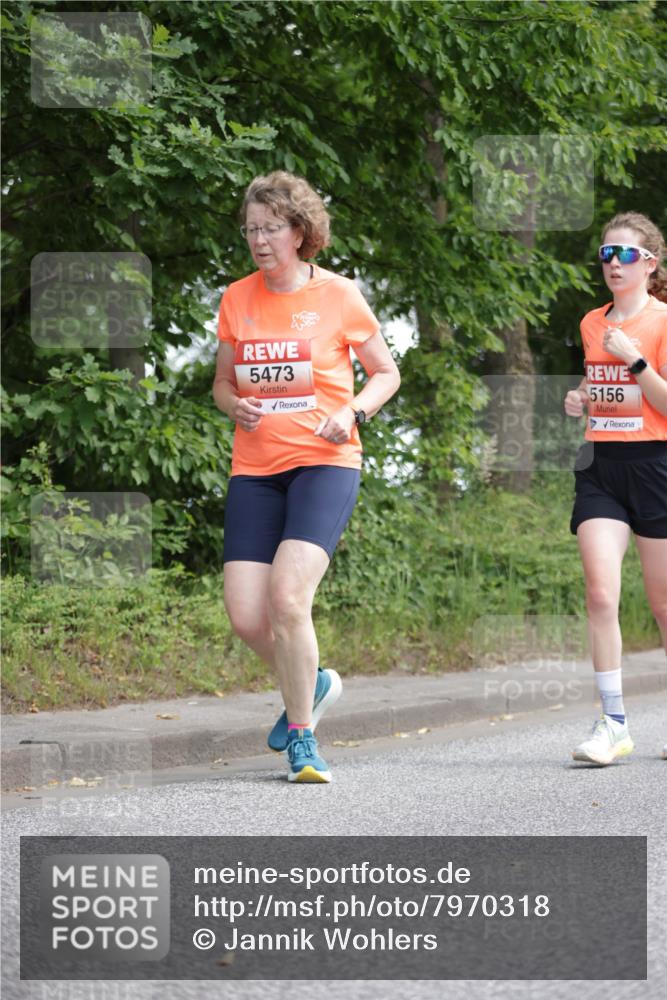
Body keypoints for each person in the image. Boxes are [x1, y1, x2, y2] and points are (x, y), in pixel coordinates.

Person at [212, 171, 400, 783]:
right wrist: (229, 403)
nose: (259, 240)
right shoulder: (237, 298)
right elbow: (223, 381)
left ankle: (302, 739)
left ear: (299, 231)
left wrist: (354, 411)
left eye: (270, 228)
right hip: (255, 469)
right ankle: (312, 682)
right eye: (251, 229)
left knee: (289, 599)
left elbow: (386, 373)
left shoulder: (340, 295)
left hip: (324, 463)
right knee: (246, 615)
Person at [564, 212, 667, 765]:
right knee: (601, 594)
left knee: (663, 604)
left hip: (658, 467)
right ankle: (613, 723)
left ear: (650, 263)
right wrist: (581, 396)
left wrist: (635, 358)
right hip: (602, 465)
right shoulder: (590, 321)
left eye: (624, 255)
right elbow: (598, 382)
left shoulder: (664, 322)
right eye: (606, 254)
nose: (612, 264)